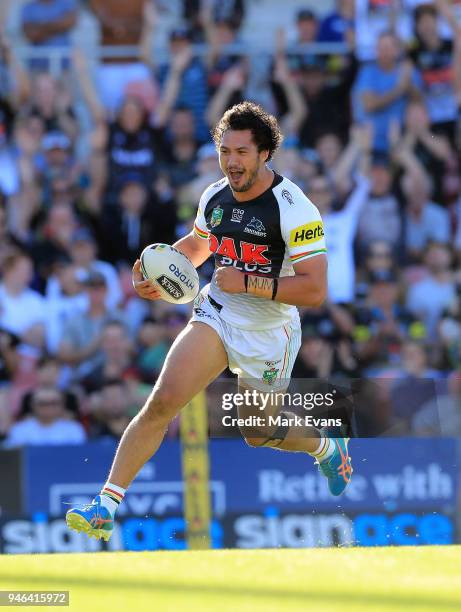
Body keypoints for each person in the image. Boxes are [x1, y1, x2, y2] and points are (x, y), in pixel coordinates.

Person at [65, 101, 353, 543]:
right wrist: (160, 270)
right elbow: (201, 246)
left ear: (264, 155)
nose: (231, 162)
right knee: (163, 401)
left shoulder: (294, 207)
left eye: (241, 152)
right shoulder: (214, 194)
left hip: (269, 334)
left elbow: (315, 291)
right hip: (216, 312)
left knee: (258, 433)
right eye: (225, 151)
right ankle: (106, 504)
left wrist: (248, 282)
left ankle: (326, 447)